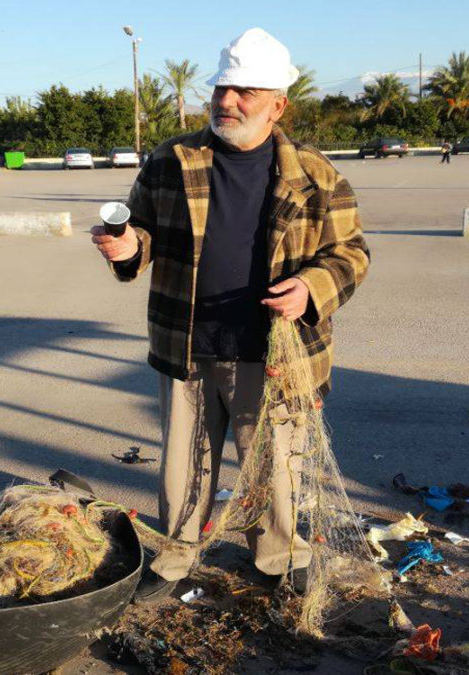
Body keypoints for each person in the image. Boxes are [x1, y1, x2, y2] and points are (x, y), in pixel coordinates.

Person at [91, 27, 369, 605]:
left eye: (244, 91)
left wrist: (309, 288)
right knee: (181, 468)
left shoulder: (316, 175)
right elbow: (142, 234)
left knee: (277, 468)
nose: (226, 101)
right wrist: (126, 249)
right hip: (186, 342)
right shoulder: (172, 160)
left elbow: (351, 253)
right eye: (221, 87)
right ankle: (173, 559)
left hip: (273, 350)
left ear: (277, 104)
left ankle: (278, 557)